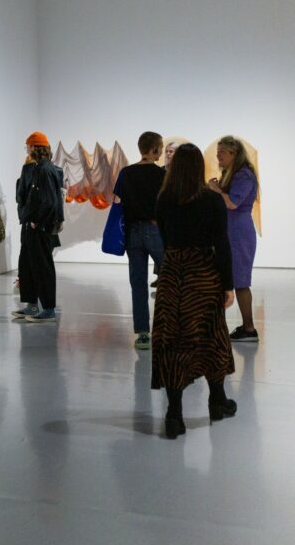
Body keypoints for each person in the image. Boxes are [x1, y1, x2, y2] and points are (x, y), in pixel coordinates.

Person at [152, 143, 236, 439]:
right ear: (200, 168)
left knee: (174, 340)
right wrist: (228, 284)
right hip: (203, 273)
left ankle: (174, 415)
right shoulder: (212, 201)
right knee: (211, 335)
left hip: (174, 273)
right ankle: (217, 401)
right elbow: (222, 245)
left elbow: (164, 239)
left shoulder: (163, 200)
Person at [114, 132, 166, 349]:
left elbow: (118, 200)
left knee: (138, 283)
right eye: (160, 148)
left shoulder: (126, 173)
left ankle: (143, 334)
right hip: (155, 231)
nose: (161, 152)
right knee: (172, 279)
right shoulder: (161, 175)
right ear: (153, 150)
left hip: (132, 233)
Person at [207, 135, 259, 343]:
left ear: (233, 154)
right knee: (230, 280)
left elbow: (232, 203)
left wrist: (216, 190)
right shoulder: (234, 174)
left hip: (238, 233)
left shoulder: (243, 175)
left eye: (222, 152)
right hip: (231, 231)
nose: (218, 155)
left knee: (240, 281)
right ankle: (242, 328)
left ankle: (249, 328)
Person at [12, 132, 64, 323]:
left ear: (34, 147)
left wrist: (38, 221)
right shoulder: (37, 168)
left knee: (43, 268)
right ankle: (32, 305)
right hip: (30, 226)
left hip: (39, 228)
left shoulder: (45, 169)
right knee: (27, 265)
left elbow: (50, 201)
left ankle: (48, 309)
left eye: (28, 146)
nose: (27, 149)